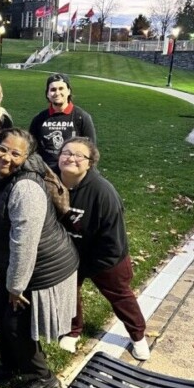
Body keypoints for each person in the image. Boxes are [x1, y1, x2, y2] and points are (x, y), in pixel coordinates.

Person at [0, 128, 79, 388]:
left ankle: (42, 377)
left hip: (42, 268)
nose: (6, 157)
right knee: (0, 311)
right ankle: (10, 365)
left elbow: (25, 244)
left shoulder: (25, 189)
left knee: (15, 324)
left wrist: (15, 286)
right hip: (18, 267)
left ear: (26, 157)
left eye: (15, 153)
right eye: (2, 149)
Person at [57, 137, 150, 360]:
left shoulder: (103, 192)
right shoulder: (51, 181)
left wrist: (90, 266)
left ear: (90, 163)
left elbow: (113, 242)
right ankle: (73, 330)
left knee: (120, 295)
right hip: (70, 253)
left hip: (106, 258)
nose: (71, 158)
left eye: (79, 155)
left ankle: (138, 336)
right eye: (66, 152)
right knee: (69, 292)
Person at [29, 73, 96, 167]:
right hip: (46, 172)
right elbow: (31, 150)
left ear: (69, 91)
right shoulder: (39, 119)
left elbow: (91, 151)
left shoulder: (81, 117)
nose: (57, 93)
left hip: (72, 169)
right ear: (47, 94)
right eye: (53, 89)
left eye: (61, 88)